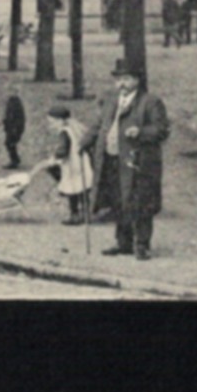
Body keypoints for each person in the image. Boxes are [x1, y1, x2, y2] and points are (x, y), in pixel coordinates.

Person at [80, 59, 170, 261]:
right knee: (118, 202)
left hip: (138, 162)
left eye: (126, 79)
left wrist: (141, 131)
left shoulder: (150, 102)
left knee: (140, 203)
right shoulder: (110, 101)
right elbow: (98, 125)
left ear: (137, 80)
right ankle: (123, 243)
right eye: (118, 79)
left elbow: (162, 129)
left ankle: (142, 245)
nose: (121, 83)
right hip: (112, 160)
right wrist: (82, 143)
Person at [45, 105, 95, 225]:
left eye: (52, 122)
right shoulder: (74, 129)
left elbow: (63, 150)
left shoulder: (64, 132)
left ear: (61, 121)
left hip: (73, 165)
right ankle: (86, 214)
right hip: (81, 163)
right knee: (82, 190)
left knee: (72, 190)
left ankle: (75, 214)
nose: (51, 126)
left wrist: (55, 157)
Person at [2, 82, 26, 168]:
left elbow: (19, 117)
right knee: (9, 143)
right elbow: (8, 114)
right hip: (10, 127)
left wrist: (16, 128)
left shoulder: (16, 103)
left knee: (10, 143)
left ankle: (14, 160)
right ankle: (15, 159)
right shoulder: (10, 101)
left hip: (15, 127)